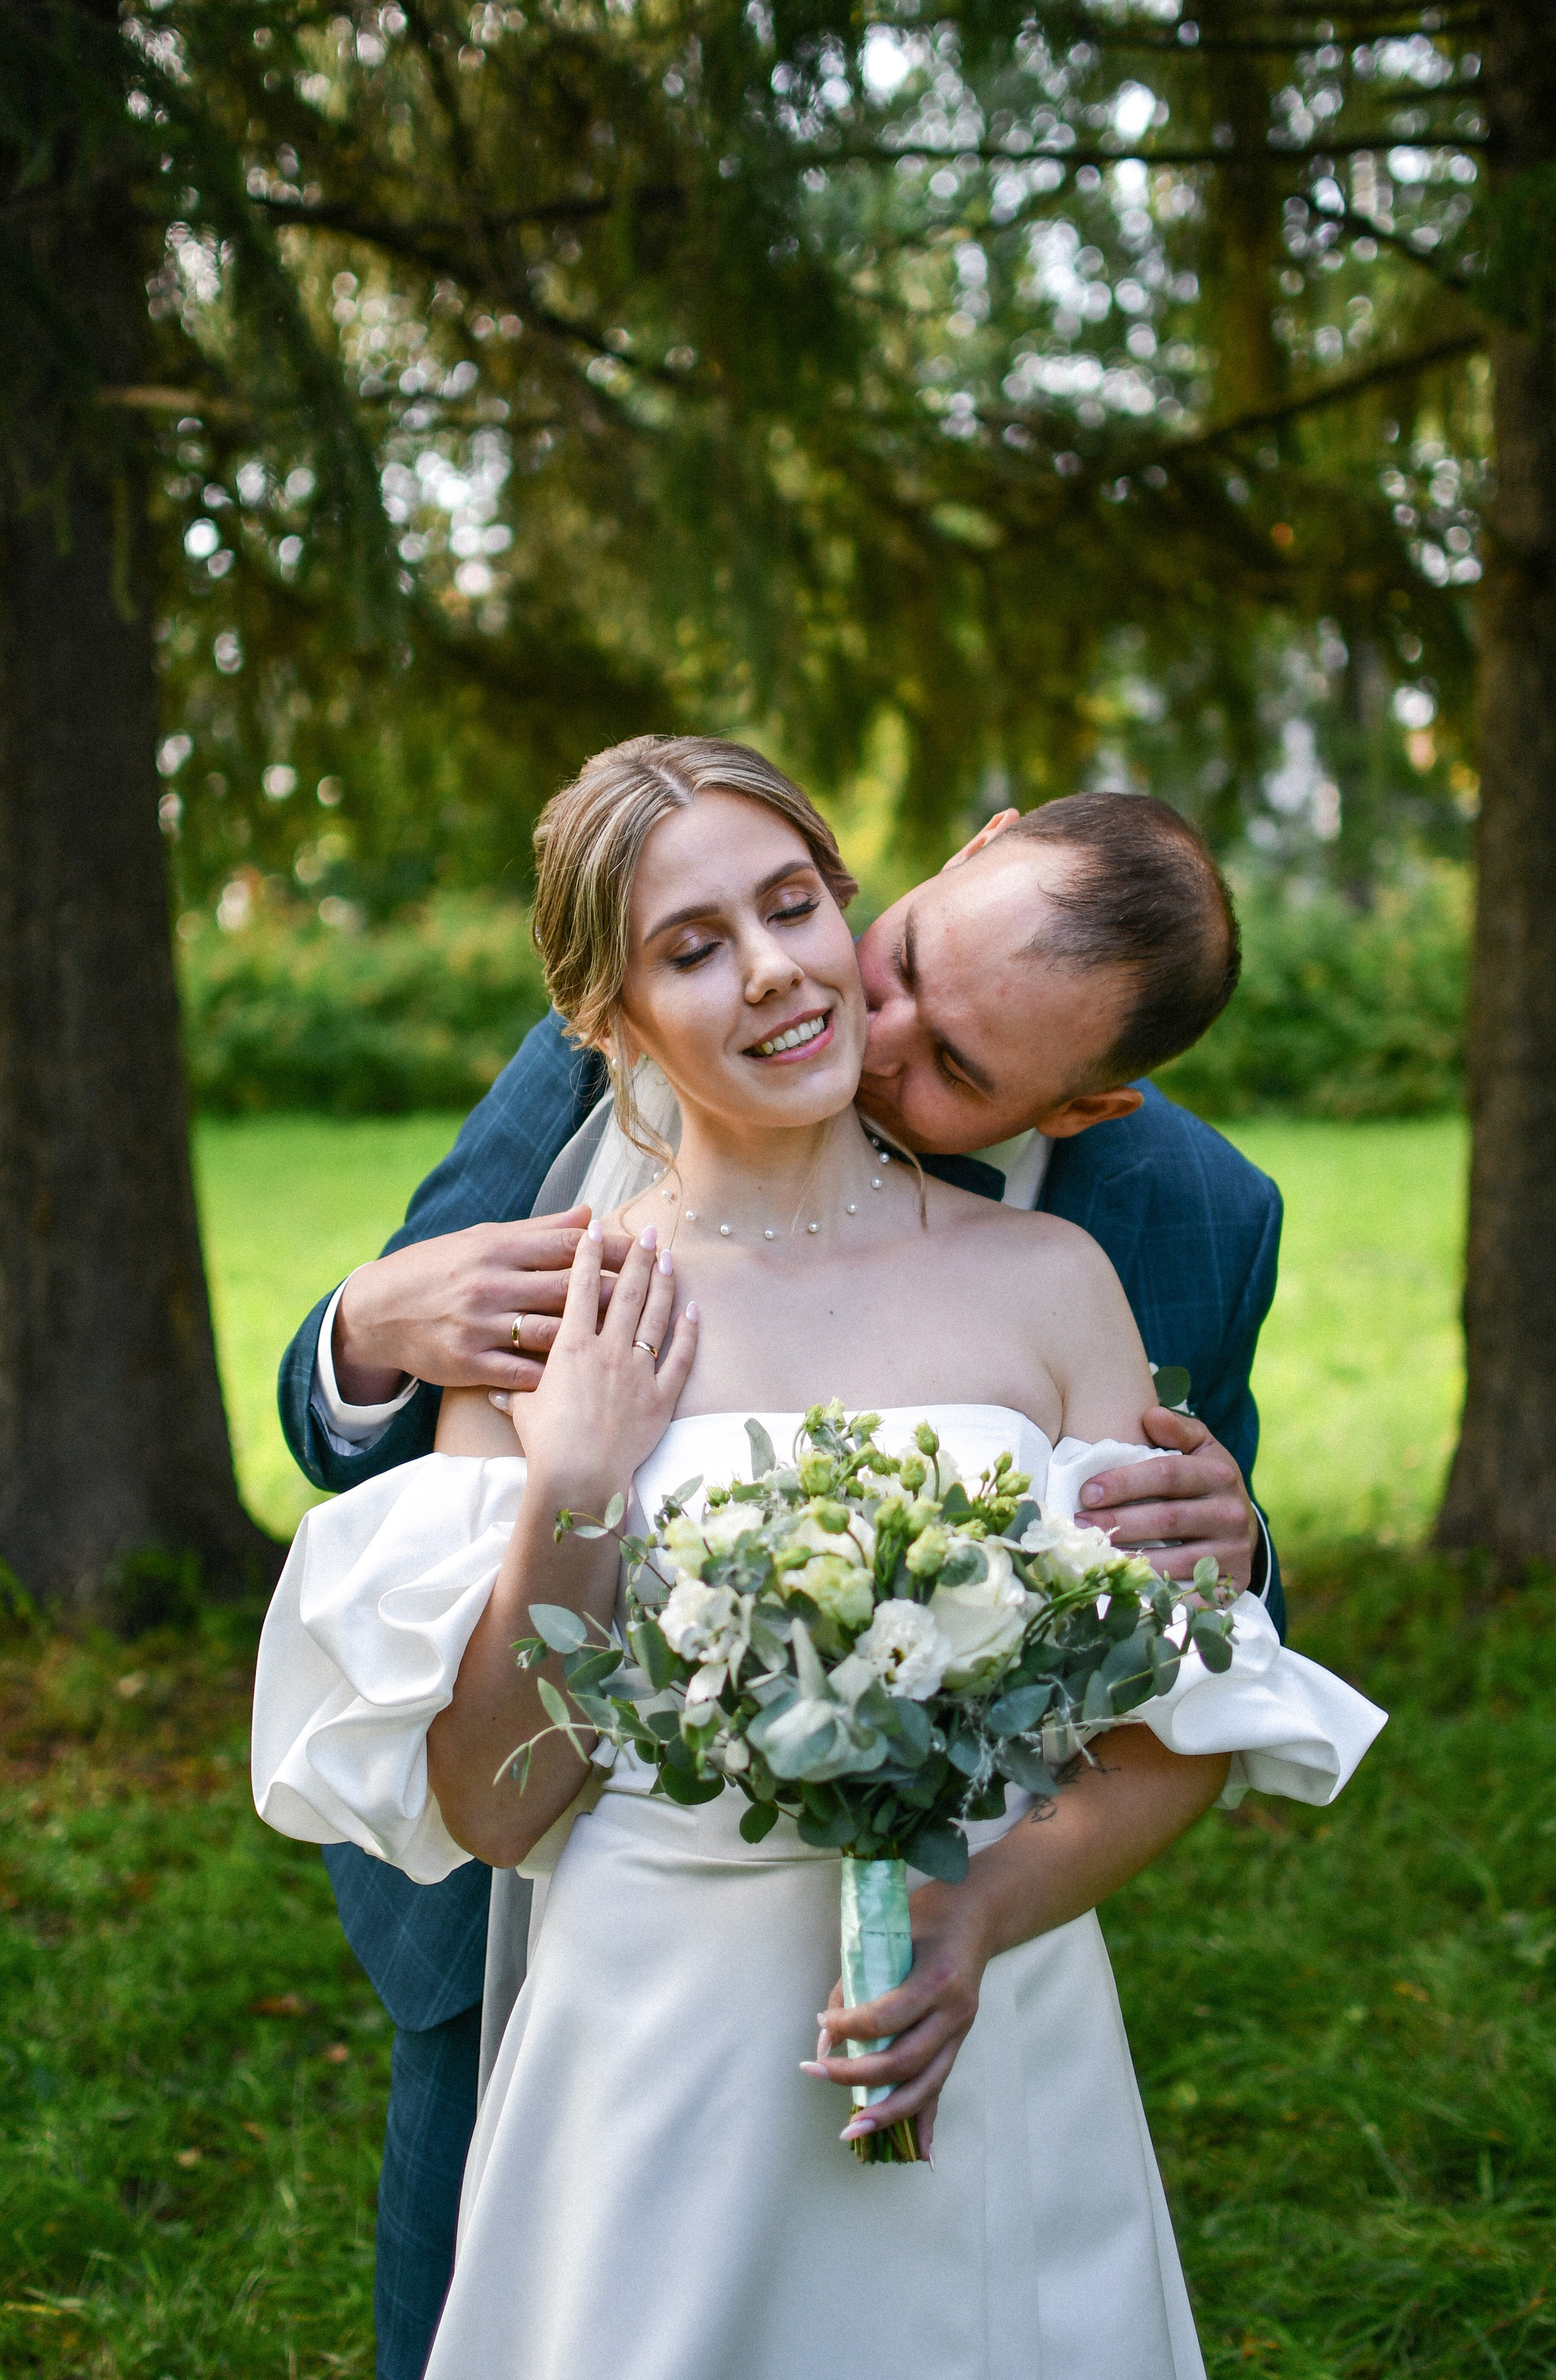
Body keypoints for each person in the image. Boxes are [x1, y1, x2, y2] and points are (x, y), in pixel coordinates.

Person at [255, 741, 1381, 2379]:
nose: (819, 992)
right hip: (634, 2000)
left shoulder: (1095, 1258)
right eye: (702, 948)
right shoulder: (566, 1293)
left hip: (966, 1996)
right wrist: (531, 1450)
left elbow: (1179, 1669)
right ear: (614, 1012)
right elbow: (503, 1793)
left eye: (794, 910)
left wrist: (985, 1900)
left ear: (1073, 1107)